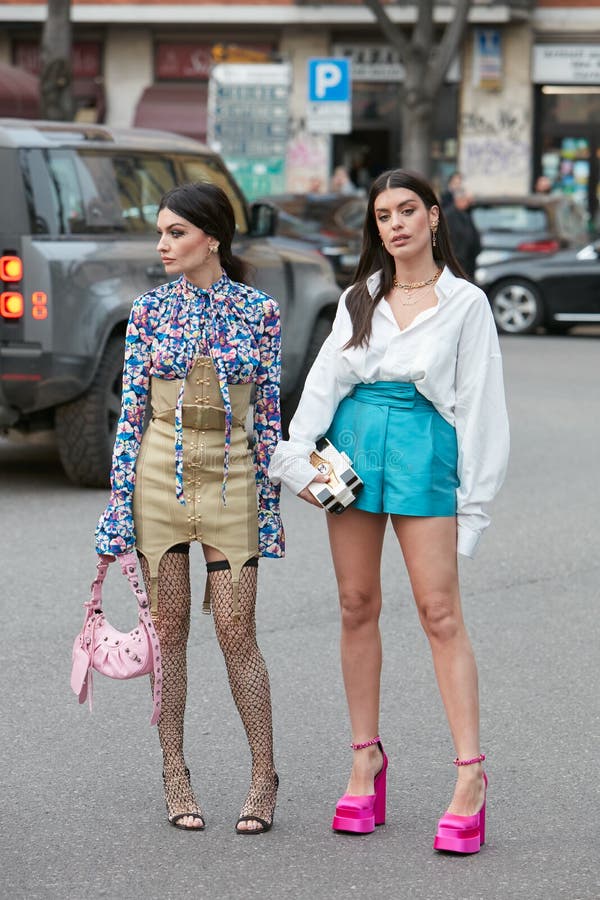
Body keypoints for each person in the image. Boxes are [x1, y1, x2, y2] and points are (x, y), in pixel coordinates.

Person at [269, 169, 509, 852]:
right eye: (383, 215)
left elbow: (482, 408)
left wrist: (476, 506)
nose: (396, 224)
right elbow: (324, 382)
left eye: (408, 210)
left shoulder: (466, 304)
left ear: (435, 218)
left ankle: (470, 776)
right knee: (355, 603)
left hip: (422, 443)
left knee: (439, 611)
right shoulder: (359, 298)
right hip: (350, 447)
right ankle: (364, 758)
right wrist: (295, 457)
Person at [95, 182, 284, 834]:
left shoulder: (260, 310)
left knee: (236, 631)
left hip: (231, 482)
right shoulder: (147, 312)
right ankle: (175, 771)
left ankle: (265, 774)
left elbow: (270, 418)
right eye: (161, 232)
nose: (162, 244)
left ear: (212, 237)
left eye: (175, 232)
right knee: (170, 633)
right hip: (158, 483)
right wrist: (119, 508)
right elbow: (131, 419)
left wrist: (270, 506)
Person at [444, 188, 482, 279]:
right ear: (458, 200)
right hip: (457, 260)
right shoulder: (449, 216)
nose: (469, 202)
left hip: (468, 260)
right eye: (467, 200)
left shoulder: (466, 213)